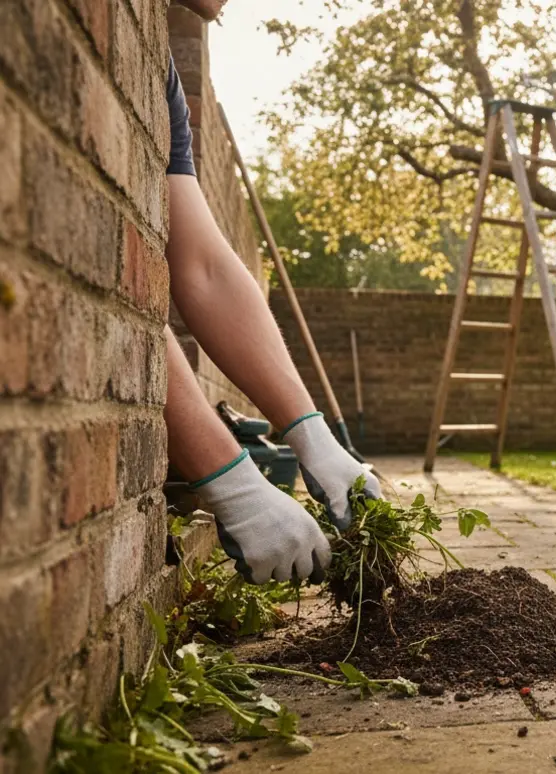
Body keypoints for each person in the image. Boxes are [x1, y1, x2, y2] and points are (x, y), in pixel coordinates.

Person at [165, 0, 382, 584]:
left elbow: (204, 266)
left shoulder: (158, 76)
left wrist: (313, 436)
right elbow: (105, 294)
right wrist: (231, 480)